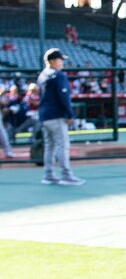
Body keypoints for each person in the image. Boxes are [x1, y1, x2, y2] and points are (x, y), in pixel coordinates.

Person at [37, 48, 85, 186]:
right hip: (56, 115)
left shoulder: (42, 75)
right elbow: (63, 97)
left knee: (49, 146)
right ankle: (66, 175)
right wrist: (69, 114)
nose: (62, 62)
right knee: (62, 146)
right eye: (60, 60)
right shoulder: (58, 75)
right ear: (52, 61)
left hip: (44, 115)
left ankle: (48, 175)